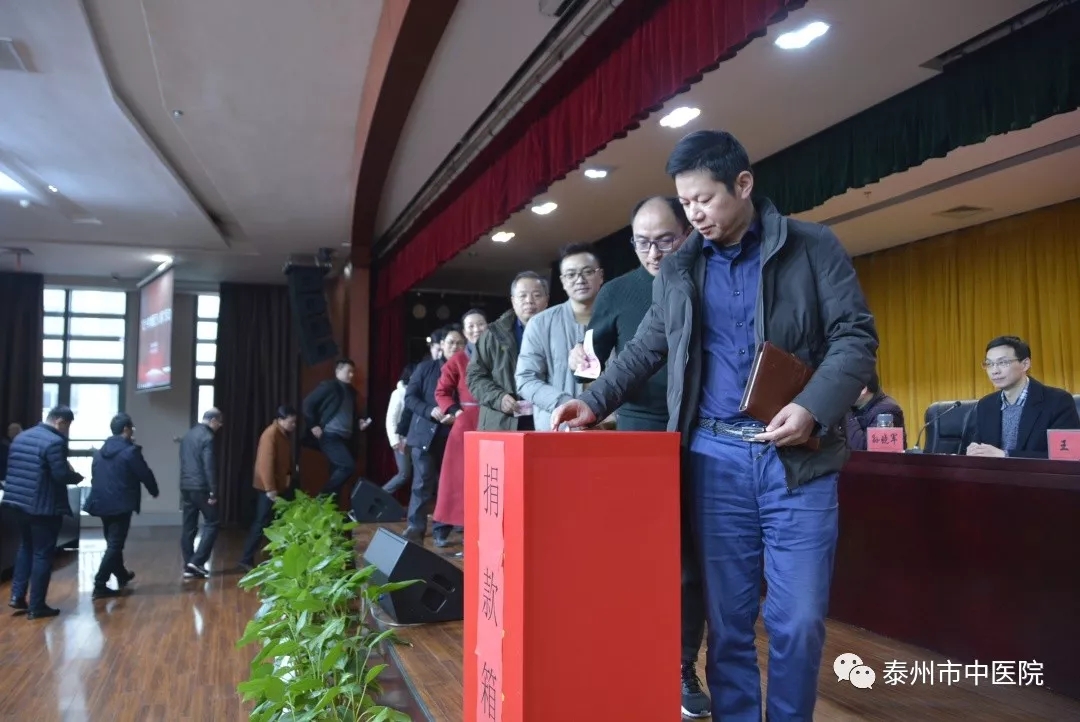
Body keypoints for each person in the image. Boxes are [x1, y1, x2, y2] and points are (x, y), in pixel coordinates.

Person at [551, 130, 878, 721]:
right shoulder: (680, 270)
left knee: (798, 620)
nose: (694, 214)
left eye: (704, 199)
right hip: (715, 461)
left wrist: (812, 406)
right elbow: (645, 348)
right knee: (727, 624)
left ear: (743, 184)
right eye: (686, 202)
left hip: (797, 461)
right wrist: (593, 402)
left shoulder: (812, 247)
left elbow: (855, 338)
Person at [568, 196, 710, 719]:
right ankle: (626, 653)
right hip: (639, 432)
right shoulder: (618, 291)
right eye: (642, 243)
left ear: (686, 233)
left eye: (664, 240)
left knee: (690, 561)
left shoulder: (707, 278)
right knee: (636, 555)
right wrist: (584, 376)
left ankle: (681, 665)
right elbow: (594, 364)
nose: (653, 253)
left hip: (701, 428)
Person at [3, 406, 82, 619]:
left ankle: (17, 596)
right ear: (60, 422)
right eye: (67, 426)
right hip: (43, 506)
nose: (66, 431)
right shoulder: (54, 442)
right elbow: (60, 474)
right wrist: (76, 477)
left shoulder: (21, 437)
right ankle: (37, 605)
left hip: (18, 503)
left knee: (26, 548)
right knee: (42, 554)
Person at [516, 244, 604, 432]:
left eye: (587, 272)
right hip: (559, 429)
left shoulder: (618, 318)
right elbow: (526, 379)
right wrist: (566, 404)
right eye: (571, 274)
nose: (579, 280)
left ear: (601, 276)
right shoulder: (540, 324)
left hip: (612, 426)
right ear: (563, 281)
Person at [964, 335, 1080, 458]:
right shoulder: (985, 404)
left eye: (1002, 362)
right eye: (989, 364)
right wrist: (974, 450)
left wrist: (1006, 455)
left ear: (1025, 364)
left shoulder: (1058, 401)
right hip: (991, 471)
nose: (995, 371)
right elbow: (980, 446)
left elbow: (1066, 456)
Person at [84, 413, 159, 599]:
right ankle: (100, 583)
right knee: (115, 544)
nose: (132, 431)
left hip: (101, 502)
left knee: (112, 542)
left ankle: (122, 574)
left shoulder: (100, 451)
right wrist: (153, 490)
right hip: (120, 503)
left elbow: (95, 475)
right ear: (126, 429)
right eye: (132, 428)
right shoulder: (130, 452)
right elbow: (144, 473)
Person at [400, 327, 465, 543]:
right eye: (450, 342)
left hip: (454, 434)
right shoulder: (425, 368)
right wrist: (430, 410)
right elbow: (410, 398)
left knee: (448, 484)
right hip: (424, 435)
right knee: (422, 482)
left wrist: (456, 415)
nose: (455, 347)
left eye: (459, 343)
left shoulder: (469, 369)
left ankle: (441, 530)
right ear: (441, 345)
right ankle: (415, 528)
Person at [432, 309, 488, 546]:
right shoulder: (457, 360)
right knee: (459, 480)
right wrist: (456, 412)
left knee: (490, 479)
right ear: (465, 332)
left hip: (495, 421)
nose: (476, 330)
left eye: (480, 325)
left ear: (488, 327)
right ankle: (454, 529)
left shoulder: (499, 354)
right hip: (466, 424)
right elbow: (441, 392)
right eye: (470, 326)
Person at [466, 271, 550, 431]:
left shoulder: (559, 332)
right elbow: (474, 377)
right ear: (513, 301)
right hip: (501, 422)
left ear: (547, 300)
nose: (529, 301)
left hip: (547, 421)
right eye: (522, 296)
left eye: (537, 295)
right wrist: (498, 398)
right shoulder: (493, 334)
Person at [302, 359, 372, 498]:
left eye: (353, 372)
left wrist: (359, 424)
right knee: (347, 466)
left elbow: (350, 416)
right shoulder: (329, 386)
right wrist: (313, 424)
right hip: (330, 436)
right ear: (338, 371)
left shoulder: (352, 393)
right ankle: (322, 499)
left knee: (338, 474)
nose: (351, 375)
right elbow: (307, 403)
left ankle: (330, 508)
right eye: (348, 371)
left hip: (346, 439)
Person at [238, 406, 297, 570]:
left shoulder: (281, 433)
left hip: (278, 486)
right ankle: (246, 559)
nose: (294, 425)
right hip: (268, 488)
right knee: (261, 523)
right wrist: (270, 488)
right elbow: (265, 464)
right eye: (291, 422)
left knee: (272, 522)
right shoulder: (271, 434)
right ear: (280, 420)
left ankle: (275, 559)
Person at [179, 408, 223, 579]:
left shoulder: (188, 435)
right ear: (213, 420)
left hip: (185, 486)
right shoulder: (208, 437)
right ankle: (197, 562)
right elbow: (209, 466)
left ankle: (188, 565)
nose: (220, 426)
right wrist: (213, 491)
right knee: (213, 522)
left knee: (189, 526)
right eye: (219, 422)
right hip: (201, 487)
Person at [844, 371, 905, 450]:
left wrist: (845, 411)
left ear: (863, 389)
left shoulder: (887, 410)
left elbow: (864, 449)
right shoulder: (855, 407)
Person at [383, 363, 416, 493]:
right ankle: (378, 496)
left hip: (415, 439)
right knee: (404, 474)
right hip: (401, 438)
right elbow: (391, 418)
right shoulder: (398, 393)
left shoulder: (417, 393)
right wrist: (395, 440)